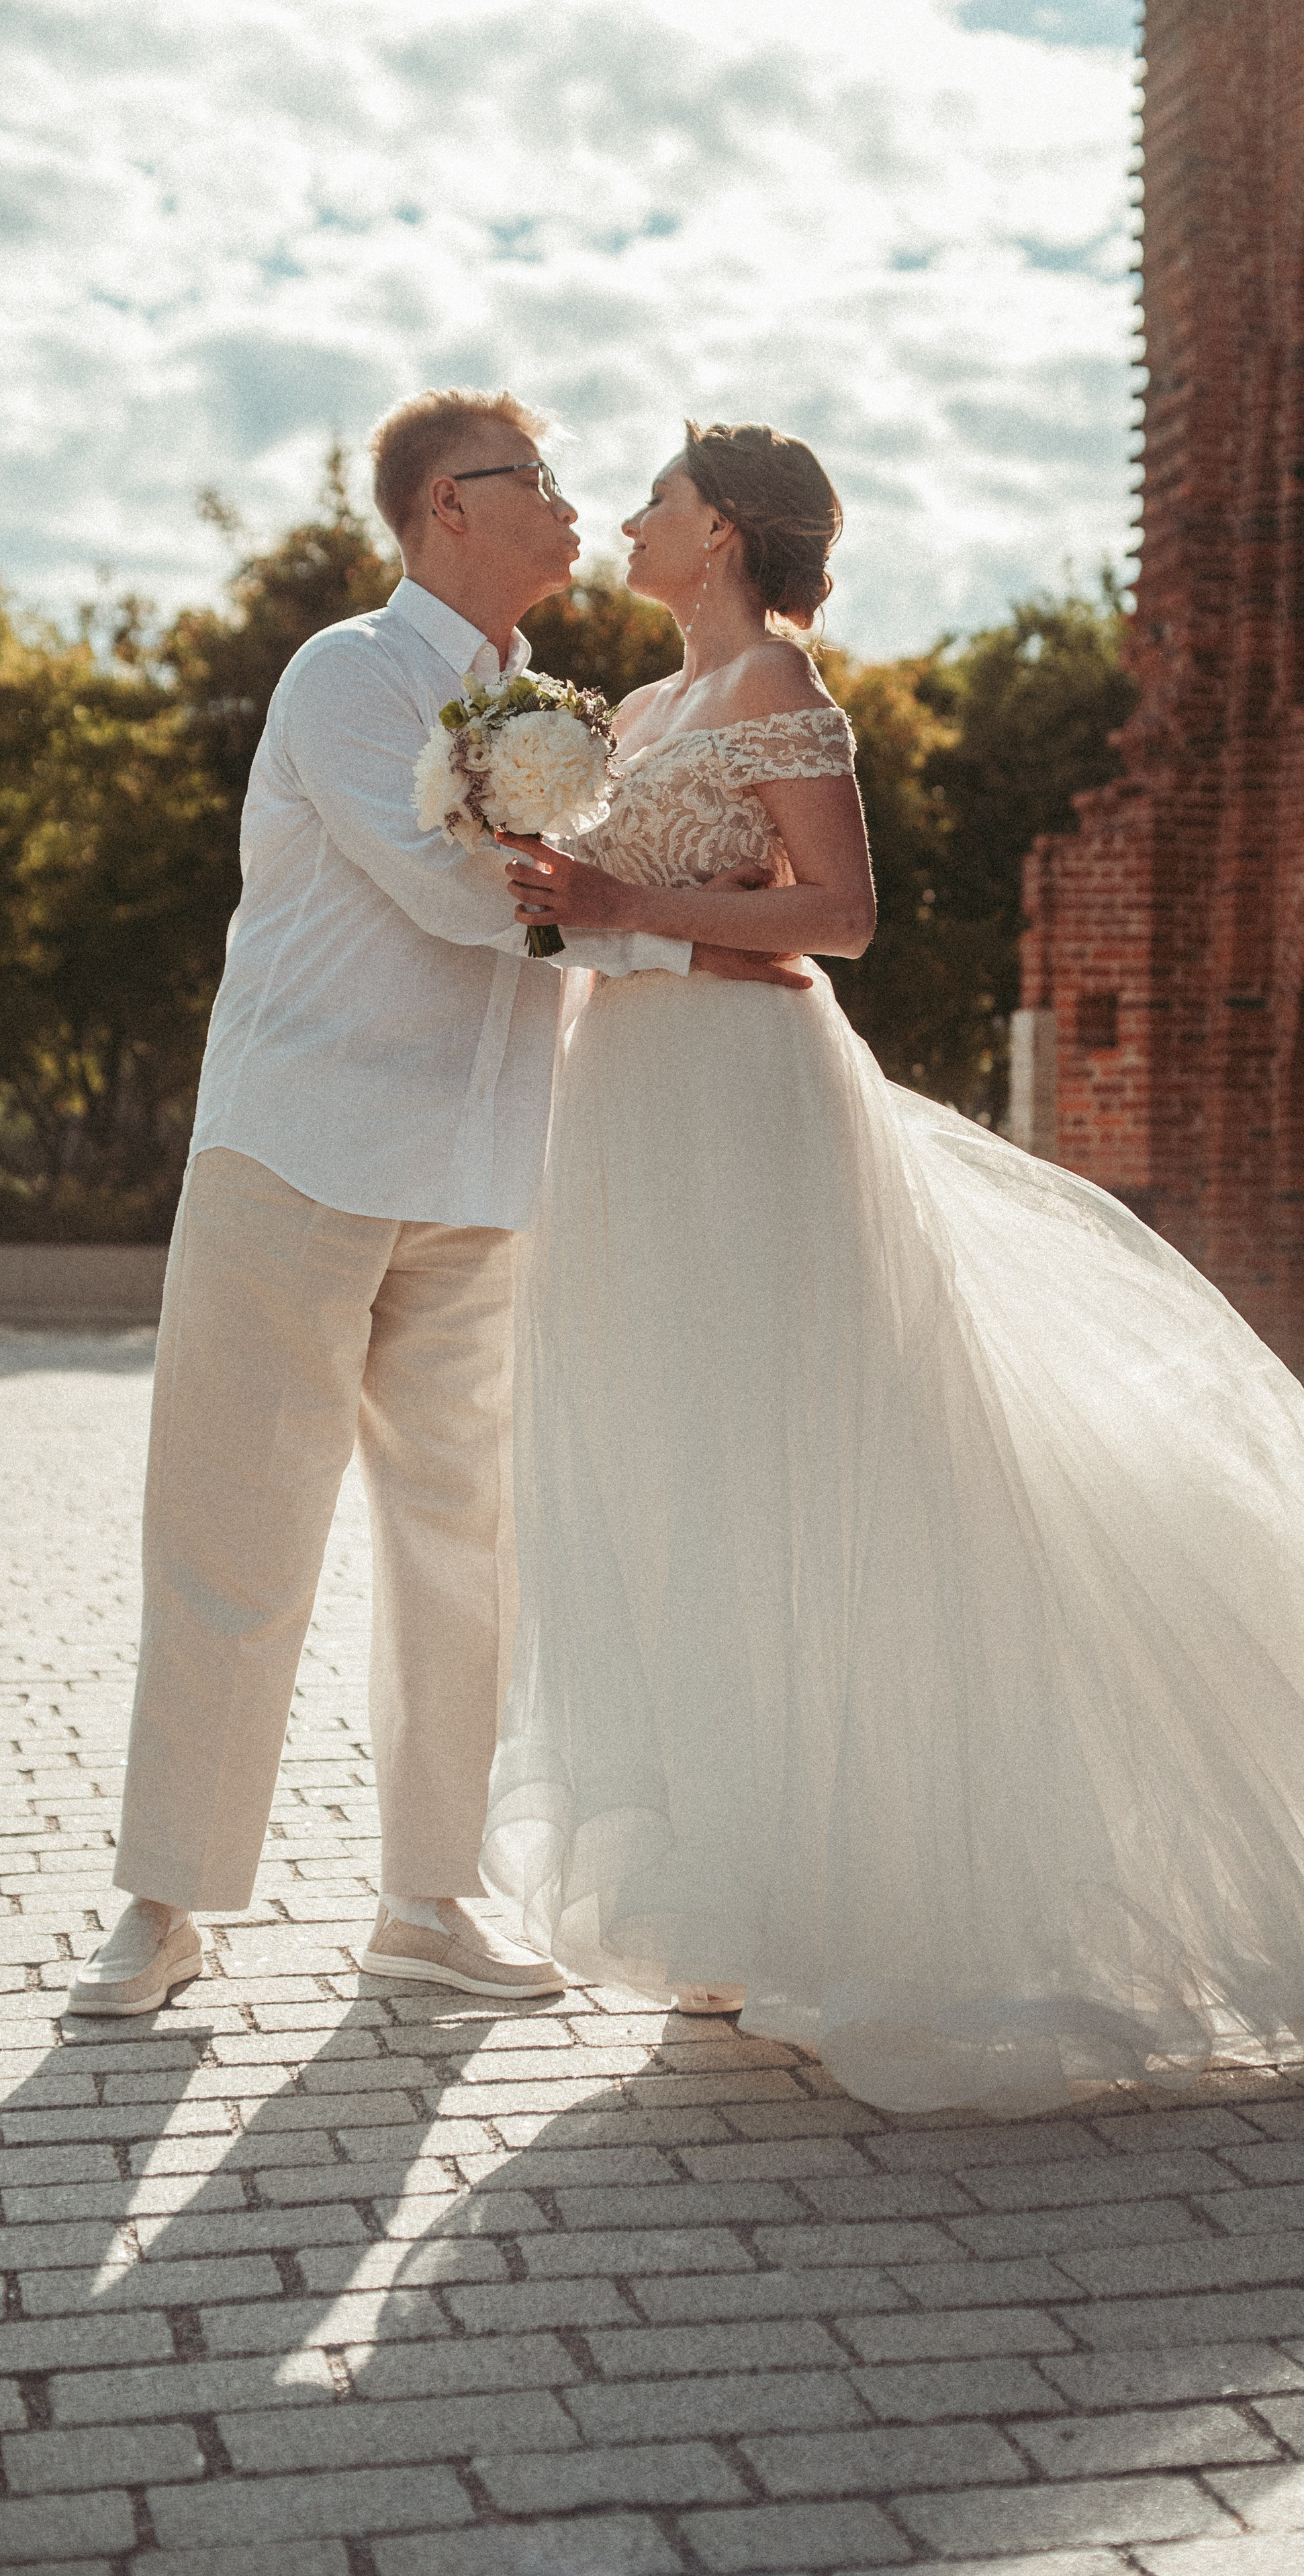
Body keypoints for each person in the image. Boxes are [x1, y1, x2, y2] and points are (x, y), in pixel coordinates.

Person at [484, 418, 1304, 2115]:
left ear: (724, 537)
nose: (630, 518)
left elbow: (841, 917)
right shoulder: (631, 716)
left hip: (744, 1105)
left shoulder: (785, 692)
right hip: (625, 1105)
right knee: (677, 1479)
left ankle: (883, 1899)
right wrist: (564, 894)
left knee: (814, 1468)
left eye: (658, 498)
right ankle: (739, 1882)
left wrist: (630, 888)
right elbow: (638, 904)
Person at [68, 390, 808, 2018]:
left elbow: (590, 886)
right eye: (529, 480)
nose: (563, 505)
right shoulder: (347, 674)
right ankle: (165, 1900)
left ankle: (427, 1899)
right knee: (233, 1539)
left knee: (466, 1551)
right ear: (440, 512)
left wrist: (703, 914)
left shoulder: (566, 711)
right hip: (302, 1153)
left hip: (484, 1173)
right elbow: (459, 893)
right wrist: (692, 940)